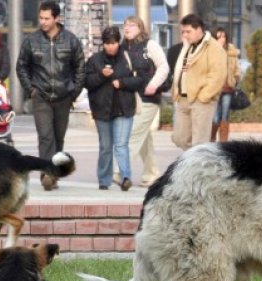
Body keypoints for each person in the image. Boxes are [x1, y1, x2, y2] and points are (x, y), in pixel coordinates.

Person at [16, 1, 85, 190]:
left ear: (56, 18)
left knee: (58, 138)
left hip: (64, 96)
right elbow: (22, 66)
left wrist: (74, 91)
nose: (43, 22)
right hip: (41, 96)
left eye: (47, 18)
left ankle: (55, 173)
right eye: (41, 18)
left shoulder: (71, 41)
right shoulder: (31, 41)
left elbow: (80, 67)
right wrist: (31, 90)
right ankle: (48, 174)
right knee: (46, 137)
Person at [85, 26, 145, 191]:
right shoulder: (95, 60)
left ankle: (125, 177)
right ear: (103, 44)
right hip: (102, 110)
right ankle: (104, 180)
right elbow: (87, 82)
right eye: (107, 43)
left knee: (121, 145)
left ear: (118, 42)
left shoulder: (128, 57)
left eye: (113, 43)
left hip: (124, 108)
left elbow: (141, 79)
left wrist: (123, 83)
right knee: (105, 146)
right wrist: (100, 75)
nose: (111, 46)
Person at [113, 16, 170, 187]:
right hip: (130, 97)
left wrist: (153, 85)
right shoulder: (122, 47)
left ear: (140, 28)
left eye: (132, 25)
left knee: (133, 134)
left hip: (148, 97)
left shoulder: (149, 45)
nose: (127, 28)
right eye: (125, 25)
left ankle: (118, 172)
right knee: (144, 138)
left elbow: (164, 66)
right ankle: (151, 174)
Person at [171, 14, 227, 150]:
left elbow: (217, 75)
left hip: (201, 100)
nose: (185, 35)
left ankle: (198, 167)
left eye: (188, 31)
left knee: (199, 142)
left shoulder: (213, 47)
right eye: (182, 32)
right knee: (179, 138)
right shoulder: (187, 47)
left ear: (199, 29)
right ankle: (196, 161)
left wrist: (204, 96)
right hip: (183, 98)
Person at [211, 27, 240, 142]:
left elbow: (237, 68)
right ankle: (211, 138)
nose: (222, 39)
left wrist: (236, 78)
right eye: (219, 37)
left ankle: (223, 142)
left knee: (225, 115)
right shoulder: (211, 50)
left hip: (228, 88)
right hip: (214, 88)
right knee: (216, 116)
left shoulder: (231, 50)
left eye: (223, 37)